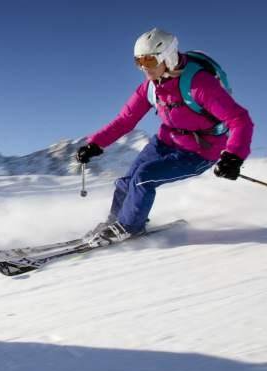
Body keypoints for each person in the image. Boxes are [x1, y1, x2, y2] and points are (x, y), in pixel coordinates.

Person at [75, 27, 253, 244]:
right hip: (166, 141)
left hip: (200, 151)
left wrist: (233, 156)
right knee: (126, 182)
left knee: (144, 178)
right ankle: (114, 222)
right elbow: (125, 120)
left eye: (149, 61)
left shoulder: (199, 84)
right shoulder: (150, 88)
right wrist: (95, 144)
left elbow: (239, 119)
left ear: (167, 57)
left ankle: (129, 227)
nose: (144, 68)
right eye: (139, 62)